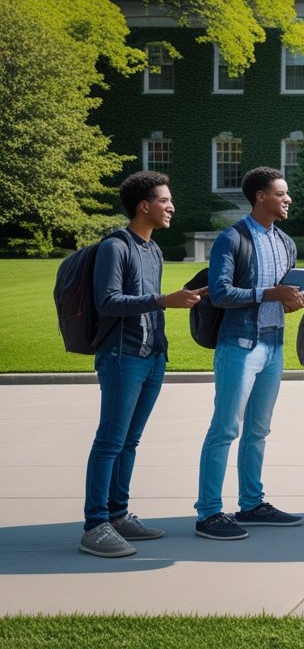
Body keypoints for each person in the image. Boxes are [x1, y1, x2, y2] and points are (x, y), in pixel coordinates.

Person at [80, 171, 202, 558]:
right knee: (111, 441)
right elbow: (108, 302)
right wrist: (164, 300)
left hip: (152, 357)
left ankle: (118, 514)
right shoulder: (115, 247)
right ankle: (94, 524)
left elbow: (153, 302)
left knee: (130, 441)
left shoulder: (153, 249)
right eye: (165, 201)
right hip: (122, 356)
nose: (171, 207)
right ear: (143, 206)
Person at [195, 167, 304, 541]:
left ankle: (251, 503)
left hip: (274, 344)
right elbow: (221, 293)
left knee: (258, 430)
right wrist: (270, 292)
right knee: (225, 428)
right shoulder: (232, 239)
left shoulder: (285, 242)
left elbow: (284, 298)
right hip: (240, 345)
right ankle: (209, 513)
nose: (287, 199)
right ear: (260, 196)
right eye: (280, 193)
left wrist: (294, 298)